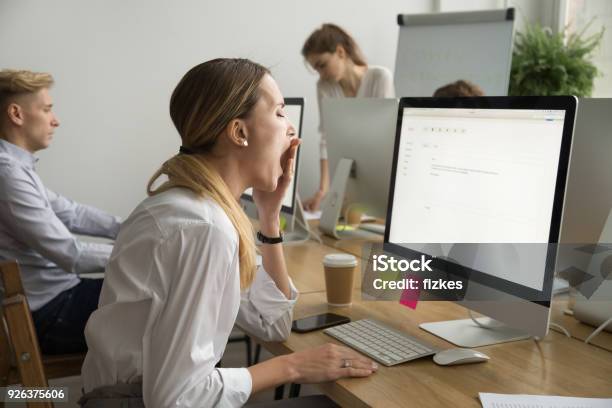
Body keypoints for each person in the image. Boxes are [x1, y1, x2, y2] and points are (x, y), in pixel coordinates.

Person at [80, 59, 377, 408]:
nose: (291, 129)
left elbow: (273, 323)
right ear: (239, 132)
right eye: (280, 113)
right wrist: (292, 366)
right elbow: (176, 397)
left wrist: (268, 219)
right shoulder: (204, 229)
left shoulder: (198, 208)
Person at [0, 69, 121, 355]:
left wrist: (134, 227)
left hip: (59, 301)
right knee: (172, 302)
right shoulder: (7, 174)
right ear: (16, 114)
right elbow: (71, 255)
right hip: (51, 314)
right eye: (46, 109)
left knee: (167, 296)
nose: (55, 120)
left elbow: (73, 213)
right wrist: (143, 251)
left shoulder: (15, 168)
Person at [301, 23, 395, 211]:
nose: (320, 73)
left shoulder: (379, 77)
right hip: (348, 174)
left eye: (322, 65)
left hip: (381, 173)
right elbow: (326, 138)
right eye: (316, 69)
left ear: (341, 52)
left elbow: (385, 136)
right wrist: (323, 189)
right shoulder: (324, 87)